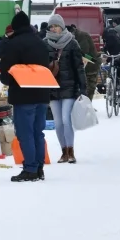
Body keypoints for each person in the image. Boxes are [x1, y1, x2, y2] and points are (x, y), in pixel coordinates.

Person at [0, 12, 51, 182]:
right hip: (42, 93)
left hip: (23, 95)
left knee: (25, 133)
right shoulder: (41, 43)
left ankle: (30, 169)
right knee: (38, 132)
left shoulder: (13, 44)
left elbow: (6, 73)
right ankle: (39, 167)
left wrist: (8, 80)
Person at [44, 15, 87, 164]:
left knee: (66, 120)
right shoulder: (45, 43)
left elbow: (79, 67)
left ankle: (71, 150)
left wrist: (83, 87)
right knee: (57, 123)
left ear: (62, 26)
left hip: (69, 87)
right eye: (51, 26)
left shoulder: (72, 42)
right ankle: (63, 151)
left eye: (56, 26)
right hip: (52, 88)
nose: (53, 28)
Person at [69, 24, 99, 100]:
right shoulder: (78, 36)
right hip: (84, 65)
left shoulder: (82, 36)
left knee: (88, 89)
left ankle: (86, 106)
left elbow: (84, 53)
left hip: (91, 65)